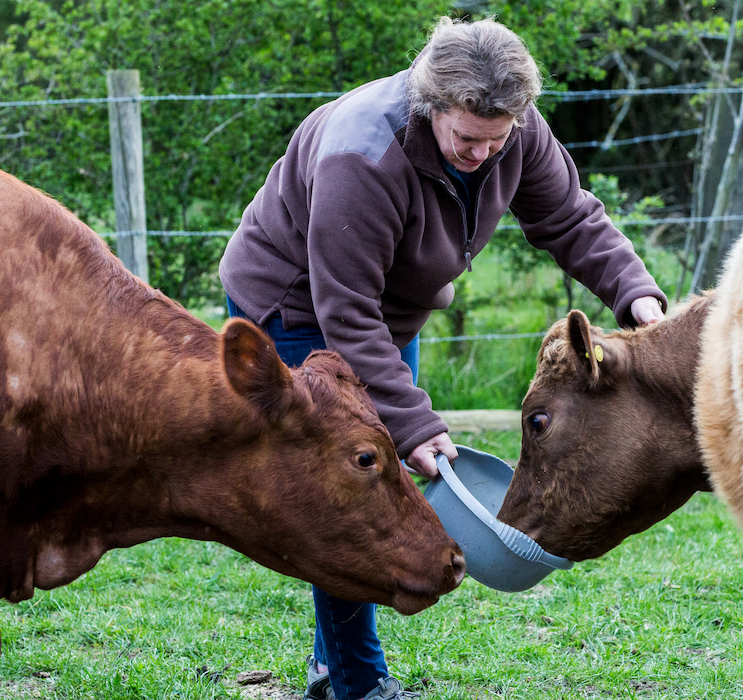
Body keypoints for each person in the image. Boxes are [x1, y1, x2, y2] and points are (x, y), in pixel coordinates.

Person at [219, 15, 667, 700]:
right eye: (467, 137)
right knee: (355, 488)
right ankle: (357, 682)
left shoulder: (512, 129)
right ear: (431, 108)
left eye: (497, 140)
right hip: (295, 310)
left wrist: (637, 299)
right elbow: (344, 313)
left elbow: (572, 219)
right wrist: (416, 426)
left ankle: (328, 666)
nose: (483, 154)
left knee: (381, 470)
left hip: (388, 311)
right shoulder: (361, 155)